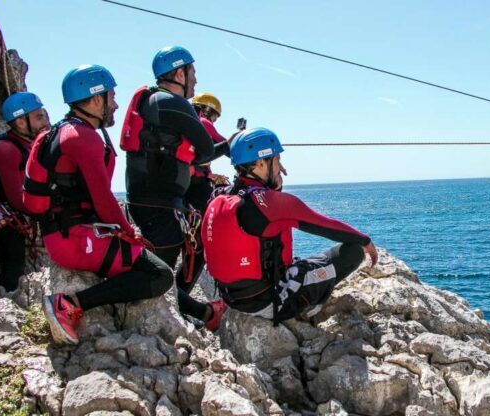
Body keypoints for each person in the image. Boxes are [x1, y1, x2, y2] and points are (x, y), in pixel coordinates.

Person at [25, 65, 174, 344]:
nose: (115, 104)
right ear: (95, 99)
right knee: (160, 275)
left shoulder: (65, 131)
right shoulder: (83, 137)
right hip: (75, 241)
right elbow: (102, 199)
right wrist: (130, 233)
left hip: (61, 234)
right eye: (111, 96)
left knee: (148, 264)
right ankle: (70, 303)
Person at [203, 128, 378, 323]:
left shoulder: (221, 195)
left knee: (307, 260)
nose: (280, 165)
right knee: (352, 252)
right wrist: (365, 240)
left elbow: (259, 213)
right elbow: (325, 225)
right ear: (261, 162)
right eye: (276, 159)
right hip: (269, 303)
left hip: (233, 297)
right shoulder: (272, 203)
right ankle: (307, 308)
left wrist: (274, 183)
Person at [121, 46, 229, 330]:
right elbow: (204, 151)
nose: (195, 80)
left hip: (143, 197)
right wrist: (230, 145)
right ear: (180, 73)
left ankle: (189, 312)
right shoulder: (175, 103)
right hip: (161, 201)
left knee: (167, 265)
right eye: (192, 72)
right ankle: (195, 314)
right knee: (161, 273)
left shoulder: (151, 101)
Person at [0, 92, 50, 294]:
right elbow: (17, 199)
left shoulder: (28, 145)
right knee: (13, 267)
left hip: (18, 209)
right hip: (0, 212)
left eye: (44, 116)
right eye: (39, 117)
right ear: (21, 123)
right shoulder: (6, 149)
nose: (46, 122)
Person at [187, 92, 232, 215]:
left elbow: (195, 159)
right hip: (196, 186)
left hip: (185, 183)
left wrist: (211, 175)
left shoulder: (188, 122)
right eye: (215, 117)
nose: (214, 121)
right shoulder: (202, 121)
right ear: (208, 110)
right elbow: (226, 145)